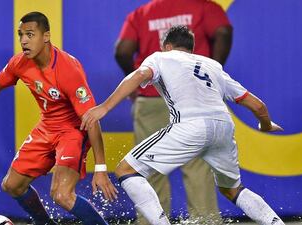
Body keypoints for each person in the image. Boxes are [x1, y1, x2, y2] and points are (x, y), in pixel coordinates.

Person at [81, 25, 285, 225]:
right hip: (223, 126)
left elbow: (140, 75)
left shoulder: (160, 57)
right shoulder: (212, 66)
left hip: (190, 125)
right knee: (232, 189)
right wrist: (265, 125)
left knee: (127, 170)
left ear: (167, 46)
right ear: (191, 49)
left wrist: (105, 107)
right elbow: (258, 106)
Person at [0, 12, 117, 225]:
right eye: (20, 35)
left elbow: (91, 118)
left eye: (30, 34)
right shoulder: (20, 62)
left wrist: (101, 169)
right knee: (11, 185)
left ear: (46, 36)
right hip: (46, 127)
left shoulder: (68, 69)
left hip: (72, 131)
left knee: (61, 195)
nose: (23, 41)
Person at [114, 0, 232, 223]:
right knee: (198, 167)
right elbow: (223, 31)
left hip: (152, 101)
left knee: (149, 167)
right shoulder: (203, 7)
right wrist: (211, 75)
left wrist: (140, 83)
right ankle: (205, 221)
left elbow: (122, 51)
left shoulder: (141, 14)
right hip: (194, 101)